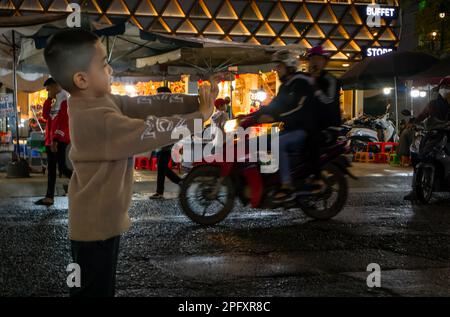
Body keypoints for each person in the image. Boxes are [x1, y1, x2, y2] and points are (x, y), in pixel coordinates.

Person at [43, 28, 216, 297]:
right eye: (103, 65)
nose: (110, 70)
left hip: (98, 224)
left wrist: (194, 102)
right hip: (95, 230)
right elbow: (147, 130)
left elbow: (145, 105)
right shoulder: (96, 119)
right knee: (93, 292)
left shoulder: (98, 101)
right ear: (81, 79)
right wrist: (198, 117)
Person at [244, 49, 317, 201]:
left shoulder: (301, 82)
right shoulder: (286, 86)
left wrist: (273, 117)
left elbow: (299, 109)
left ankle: (286, 185)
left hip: (304, 131)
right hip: (290, 129)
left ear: (290, 66)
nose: (277, 70)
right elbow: (275, 105)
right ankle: (267, 180)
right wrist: (250, 116)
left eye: (280, 66)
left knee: (277, 143)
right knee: (258, 142)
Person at [404, 76, 450, 201]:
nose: (447, 90)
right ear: (439, 89)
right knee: (416, 153)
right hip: (432, 134)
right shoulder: (433, 104)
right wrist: (413, 122)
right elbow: (423, 114)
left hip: (447, 135)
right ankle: (415, 189)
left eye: (449, 87)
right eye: (445, 87)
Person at [34, 78, 72, 206]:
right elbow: (45, 115)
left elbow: (64, 122)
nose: (47, 90)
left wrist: (56, 139)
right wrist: (49, 99)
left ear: (56, 86)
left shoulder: (65, 102)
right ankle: (49, 197)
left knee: (62, 167)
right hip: (51, 141)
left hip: (60, 141)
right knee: (51, 170)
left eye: (49, 88)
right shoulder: (55, 102)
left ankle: (85, 185)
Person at [306, 46, 341, 182]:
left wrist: (314, 86)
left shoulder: (331, 80)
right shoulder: (307, 79)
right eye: (312, 59)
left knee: (311, 141)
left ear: (325, 62)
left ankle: (316, 178)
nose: (315, 62)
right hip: (311, 125)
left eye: (318, 59)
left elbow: (329, 101)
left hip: (329, 128)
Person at [150, 86, 182, 199]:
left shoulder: (170, 108)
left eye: (158, 94)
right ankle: (181, 183)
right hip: (161, 141)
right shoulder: (163, 107)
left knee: (162, 166)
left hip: (168, 141)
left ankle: (161, 191)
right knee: (161, 166)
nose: (156, 96)